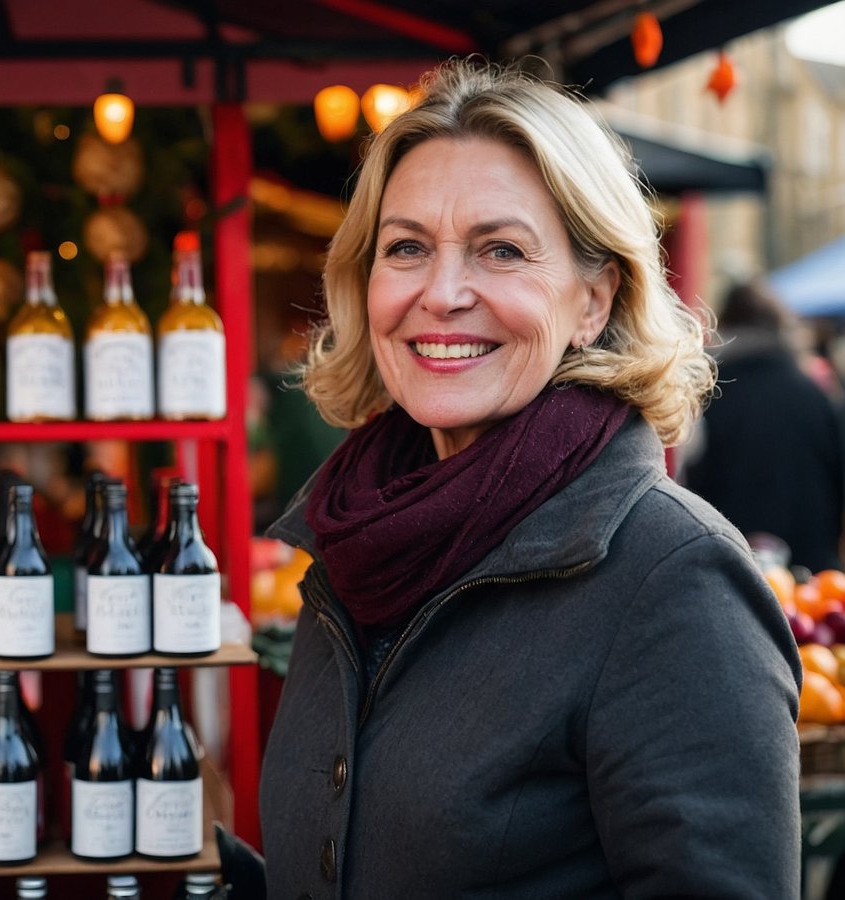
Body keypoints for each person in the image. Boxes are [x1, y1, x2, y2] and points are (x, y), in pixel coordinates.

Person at [255, 59, 801, 899]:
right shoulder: (355, 540)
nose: (441, 293)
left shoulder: (674, 579)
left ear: (593, 300)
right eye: (406, 249)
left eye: (500, 250)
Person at [683, 278, 845, 573]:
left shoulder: (710, 396)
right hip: (815, 576)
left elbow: (689, 483)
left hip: (732, 572)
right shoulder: (813, 393)